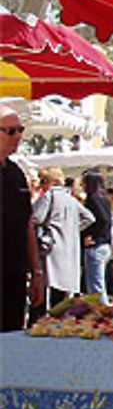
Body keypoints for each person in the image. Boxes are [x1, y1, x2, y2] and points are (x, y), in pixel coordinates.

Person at [30, 166, 94, 321]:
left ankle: (42, 321)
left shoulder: (48, 197)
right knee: (62, 290)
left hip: (51, 247)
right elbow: (90, 218)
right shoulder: (71, 198)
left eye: (43, 181)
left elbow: (35, 218)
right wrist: (72, 229)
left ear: (48, 181)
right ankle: (58, 319)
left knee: (47, 285)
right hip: (69, 247)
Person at [0, 104, 43, 332]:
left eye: (20, 130)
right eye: (10, 131)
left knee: (12, 333)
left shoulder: (16, 173)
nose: (18, 136)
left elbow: (26, 224)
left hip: (14, 274)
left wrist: (36, 272)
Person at [80, 171, 113, 305]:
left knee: (96, 286)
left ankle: (102, 311)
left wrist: (92, 236)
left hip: (97, 245)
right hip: (104, 245)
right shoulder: (104, 198)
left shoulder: (93, 199)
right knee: (98, 283)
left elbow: (103, 220)